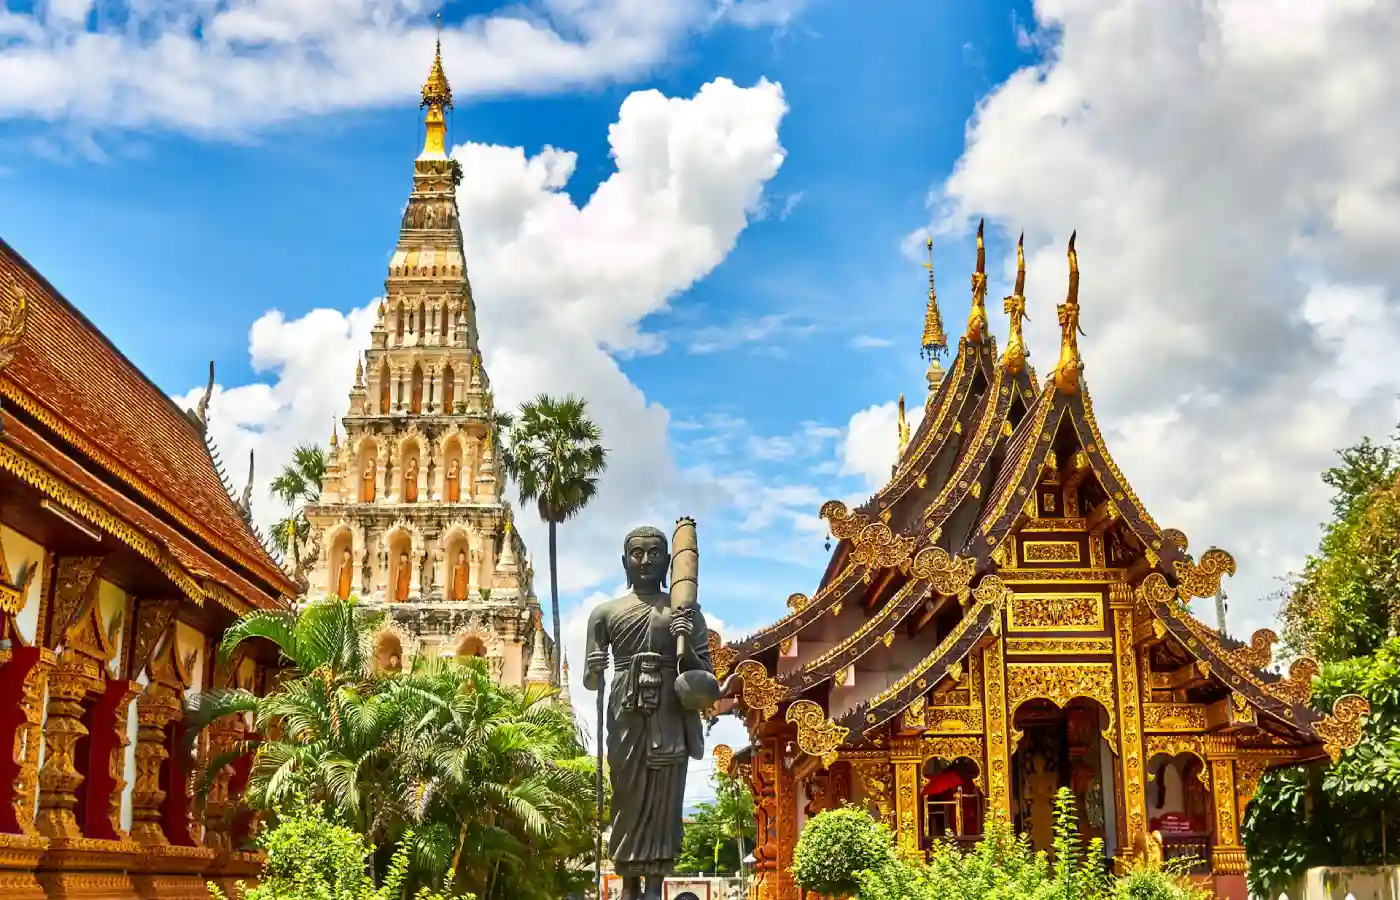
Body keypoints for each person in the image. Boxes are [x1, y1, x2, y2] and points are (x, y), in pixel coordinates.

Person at [585, 526, 712, 900]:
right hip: (625, 710)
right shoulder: (604, 613)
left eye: (655, 554)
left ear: (668, 563)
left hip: (669, 712)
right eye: (637, 554)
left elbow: (705, 679)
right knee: (626, 796)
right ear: (624, 562)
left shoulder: (684, 614)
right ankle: (628, 885)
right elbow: (592, 681)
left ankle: (655, 885)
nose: (645, 561)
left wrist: (685, 641)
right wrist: (595, 667)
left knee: (664, 796)